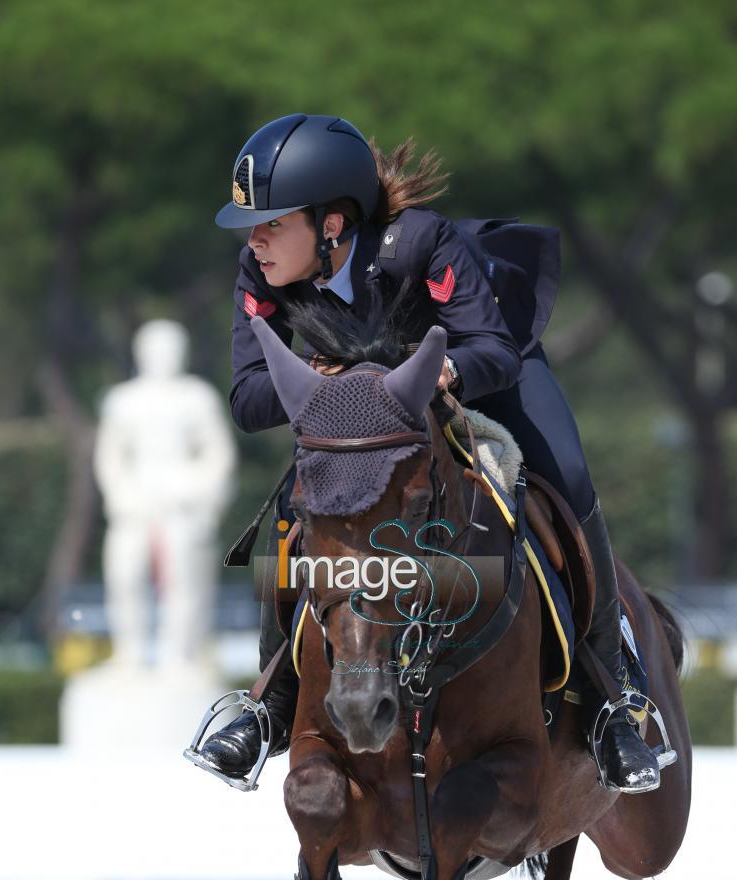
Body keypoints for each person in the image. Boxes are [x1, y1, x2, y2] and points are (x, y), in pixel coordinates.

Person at [193, 112, 661, 793]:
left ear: (331, 225)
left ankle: (613, 699)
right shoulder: (258, 272)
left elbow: (494, 348)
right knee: (296, 514)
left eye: (272, 223)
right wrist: (328, 385)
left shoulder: (418, 243)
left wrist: (440, 373)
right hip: (362, 414)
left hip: (483, 375)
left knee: (568, 476)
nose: (255, 241)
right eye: (252, 228)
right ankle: (269, 705)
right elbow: (248, 399)